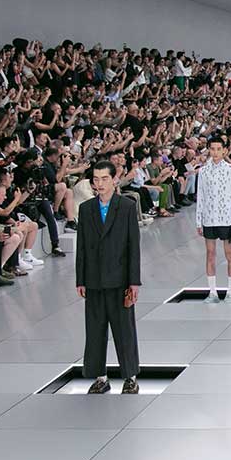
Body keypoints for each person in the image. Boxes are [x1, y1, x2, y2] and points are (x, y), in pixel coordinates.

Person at [74, 160, 142, 395]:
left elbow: (133, 246)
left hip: (120, 279)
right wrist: (80, 279)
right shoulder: (86, 209)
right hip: (93, 279)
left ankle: (130, 377)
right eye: (96, 179)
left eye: (104, 179)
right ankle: (100, 377)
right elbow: (81, 246)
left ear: (114, 180)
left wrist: (134, 281)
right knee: (95, 330)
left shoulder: (126, 206)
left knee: (124, 330)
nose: (100, 184)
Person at [196, 135, 231, 302]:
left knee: (229, 253)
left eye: (218, 149)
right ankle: (212, 292)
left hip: (227, 218)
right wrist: (198, 220)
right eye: (212, 149)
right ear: (209, 150)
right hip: (209, 218)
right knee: (210, 253)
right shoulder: (203, 171)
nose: (215, 152)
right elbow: (200, 196)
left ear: (224, 151)